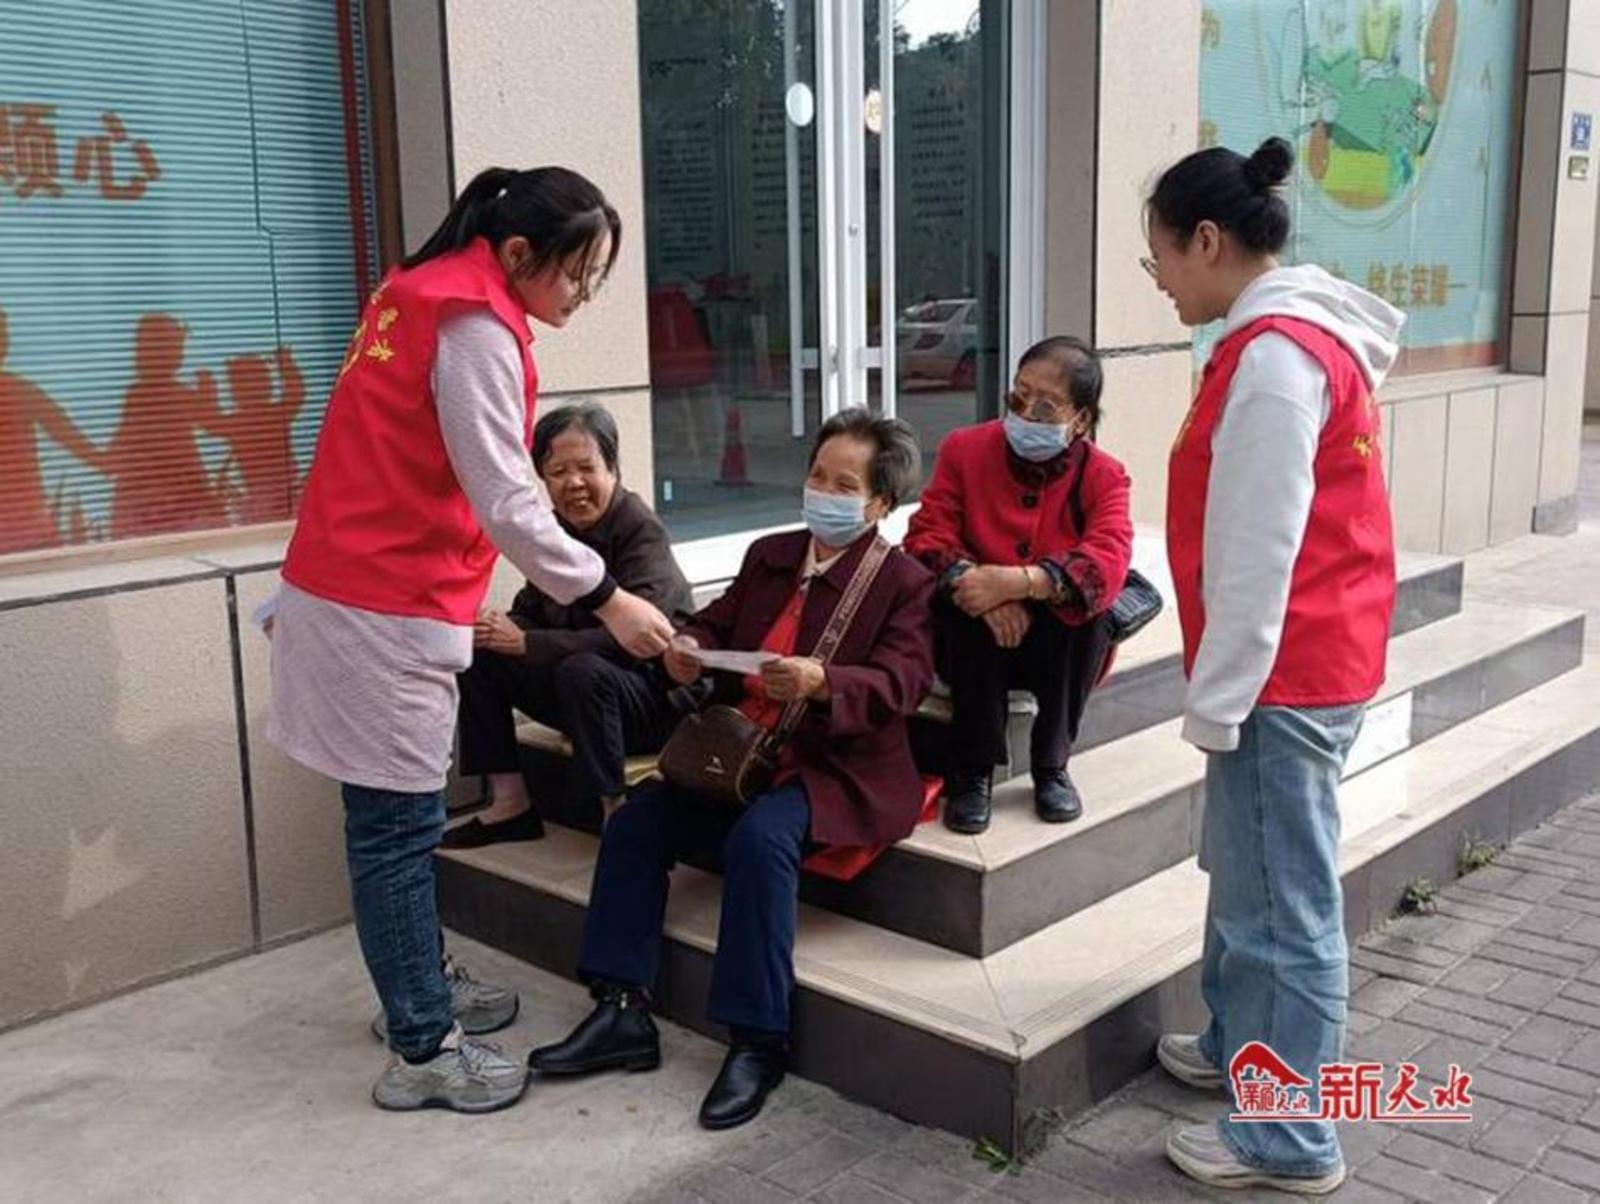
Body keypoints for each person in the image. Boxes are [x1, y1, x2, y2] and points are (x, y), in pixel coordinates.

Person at [267, 166, 675, 1115]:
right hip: (381, 605)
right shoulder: (473, 327)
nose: (584, 294)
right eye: (577, 272)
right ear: (519, 253)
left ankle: (418, 985)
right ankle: (423, 1046)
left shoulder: (419, 293)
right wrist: (609, 597)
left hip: (358, 588)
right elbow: (508, 499)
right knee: (395, 830)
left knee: (391, 822)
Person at [528, 408, 934, 1131]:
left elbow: (902, 682)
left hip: (832, 765)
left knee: (760, 840)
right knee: (636, 822)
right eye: (817, 475)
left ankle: (757, 1039)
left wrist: (823, 682)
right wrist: (687, 649)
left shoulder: (903, 582)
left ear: (879, 503)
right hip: (739, 750)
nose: (823, 493)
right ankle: (621, 1007)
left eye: (845, 485)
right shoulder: (772, 554)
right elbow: (717, 625)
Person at [1143, 137, 1401, 1195]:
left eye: (1158, 255)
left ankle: (1289, 1135)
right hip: (1307, 658)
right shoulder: (1293, 341)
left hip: (1282, 674)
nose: (1158, 278)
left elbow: (1257, 549)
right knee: (1247, 875)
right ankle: (1233, 1045)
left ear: (1206, 240)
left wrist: (1218, 697)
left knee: (1283, 906)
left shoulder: (1275, 361)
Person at [905, 336, 1133, 834]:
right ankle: (973, 768)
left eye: (1046, 406)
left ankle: (1052, 764)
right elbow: (926, 534)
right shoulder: (965, 449)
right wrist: (975, 586)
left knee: (1092, 617)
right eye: (1019, 396)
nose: (1027, 414)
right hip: (974, 630)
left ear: (1081, 420)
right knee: (965, 613)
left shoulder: (1104, 475)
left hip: (1054, 635)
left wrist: (1021, 582)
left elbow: (1109, 559)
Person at [449, 401, 695, 846]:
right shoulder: (555, 532)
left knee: (582, 669)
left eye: (586, 468)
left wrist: (527, 643)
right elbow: (532, 609)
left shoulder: (639, 529)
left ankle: (615, 813)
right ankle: (511, 803)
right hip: (582, 698)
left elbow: (636, 642)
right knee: (480, 652)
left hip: (652, 699)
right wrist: (498, 627)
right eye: (558, 472)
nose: (574, 483)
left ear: (612, 468)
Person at [0, 306, 107, 553]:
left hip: (27, 519)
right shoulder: (19, 390)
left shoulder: (20, 390)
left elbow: (64, 432)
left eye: (5, 332)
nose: (6, 340)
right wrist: (108, 463)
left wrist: (108, 464)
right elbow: (65, 433)